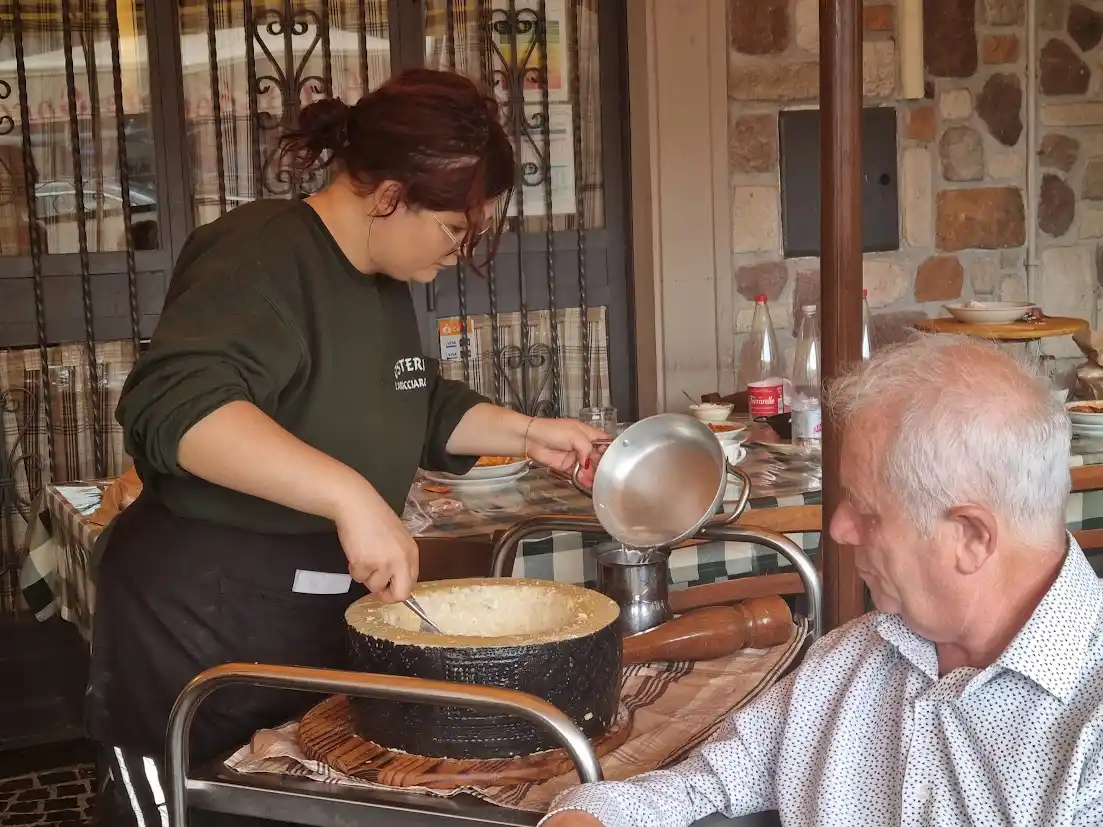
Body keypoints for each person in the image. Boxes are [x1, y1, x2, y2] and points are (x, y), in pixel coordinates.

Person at [89, 68, 605, 826]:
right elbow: (179, 409)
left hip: (311, 617)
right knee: (198, 805)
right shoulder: (260, 251)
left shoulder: (380, 278)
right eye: (455, 228)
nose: (459, 252)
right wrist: (350, 494)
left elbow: (413, 399)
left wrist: (531, 435)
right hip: (203, 617)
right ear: (390, 194)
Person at [543, 334, 1103, 827]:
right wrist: (586, 815)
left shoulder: (1089, 729)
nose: (838, 528)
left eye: (867, 511)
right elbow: (699, 785)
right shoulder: (855, 660)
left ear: (971, 537)